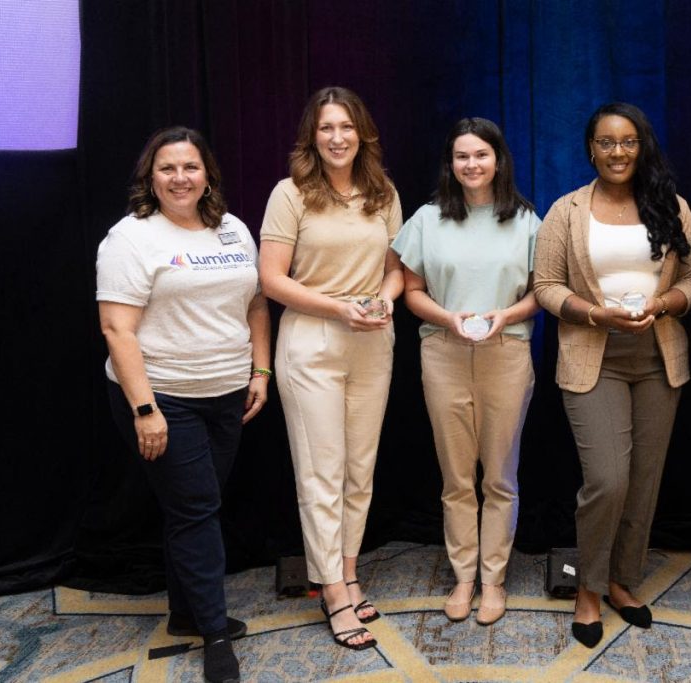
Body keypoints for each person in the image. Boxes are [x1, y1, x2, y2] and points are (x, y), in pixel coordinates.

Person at [97, 126, 271, 683]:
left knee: (194, 506)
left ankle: (183, 613)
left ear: (207, 174)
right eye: (168, 168)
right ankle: (215, 635)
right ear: (151, 176)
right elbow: (116, 329)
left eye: (190, 167)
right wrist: (145, 410)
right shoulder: (130, 238)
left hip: (227, 395)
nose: (180, 177)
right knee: (198, 510)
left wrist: (261, 370)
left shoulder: (232, 229)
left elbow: (258, 305)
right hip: (165, 396)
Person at [533, 102, 691, 648]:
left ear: (642, 145)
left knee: (644, 480)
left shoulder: (671, 206)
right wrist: (595, 314)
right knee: (608, 478)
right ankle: (588, 588)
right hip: (594, 357)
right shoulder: (567, 211)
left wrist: (669, 303)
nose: (617, 151)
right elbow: (545, 287)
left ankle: (622, 582)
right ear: (591, 149)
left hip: (658, 358)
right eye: (606, 142)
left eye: (628, 141)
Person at [258, 86, 402, 651]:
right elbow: (272, 279)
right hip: (312, 340)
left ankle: (349, 569)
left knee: (359, 469)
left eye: (346, 127)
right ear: (311, 137)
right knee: (322, 471)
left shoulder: (383, 192)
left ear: (362, 133)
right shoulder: (290, 193)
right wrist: (338, 306)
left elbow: (397, 269)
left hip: (372, 340)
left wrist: (386, 299)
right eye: (326, 129)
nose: (337, 138)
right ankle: (334, 591)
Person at [392, 117, 540, 626]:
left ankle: (493, 580)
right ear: (450, 165)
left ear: (498, 160)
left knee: (499, 475)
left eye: (481, 155)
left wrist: (506, 316)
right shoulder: (428, 220)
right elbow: (410, 291)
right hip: (444, 354)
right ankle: (463, 577)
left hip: (506, 353)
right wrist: (449, 318)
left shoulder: (524, 220)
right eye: (462, 157)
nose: (471, 164)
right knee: (456, 477)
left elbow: (542, 292)